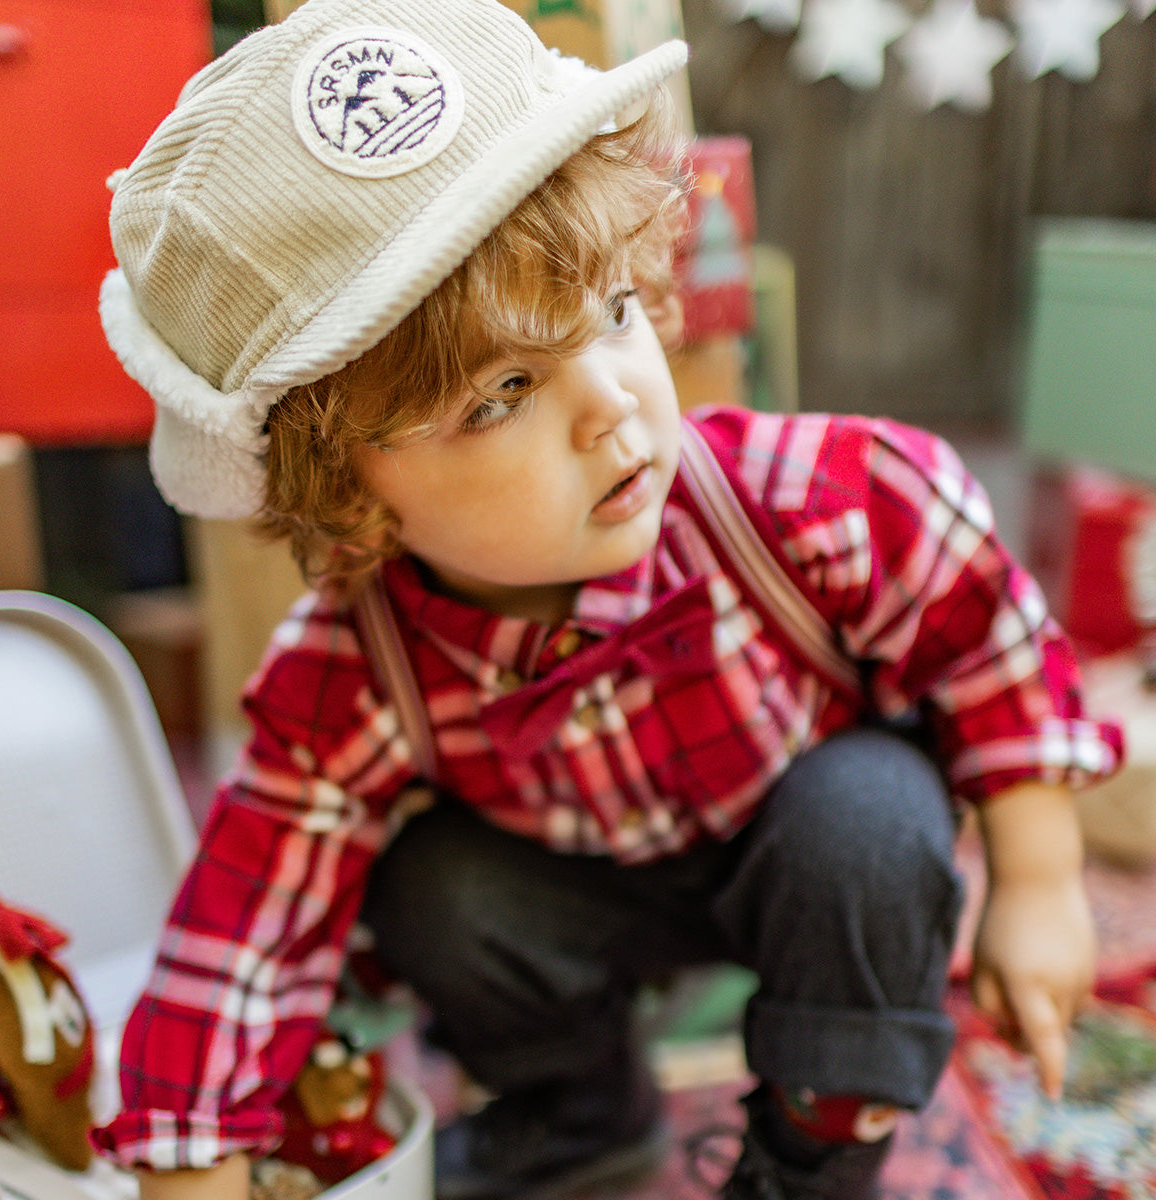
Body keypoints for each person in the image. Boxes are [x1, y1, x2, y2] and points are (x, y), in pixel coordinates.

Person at [92, 0, 1124, 1197]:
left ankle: (811, 1161)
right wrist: (192, 1159)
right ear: (351, 500)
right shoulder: (353, 666)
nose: (613, 406)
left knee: (874, 820)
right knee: (430, 887)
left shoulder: (814, 499)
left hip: (806, 860)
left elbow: (983, 631)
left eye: (614, 312)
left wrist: (1037, 877)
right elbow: (246, 923)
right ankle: (580, 1114)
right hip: (579, 902)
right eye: (502, 394)